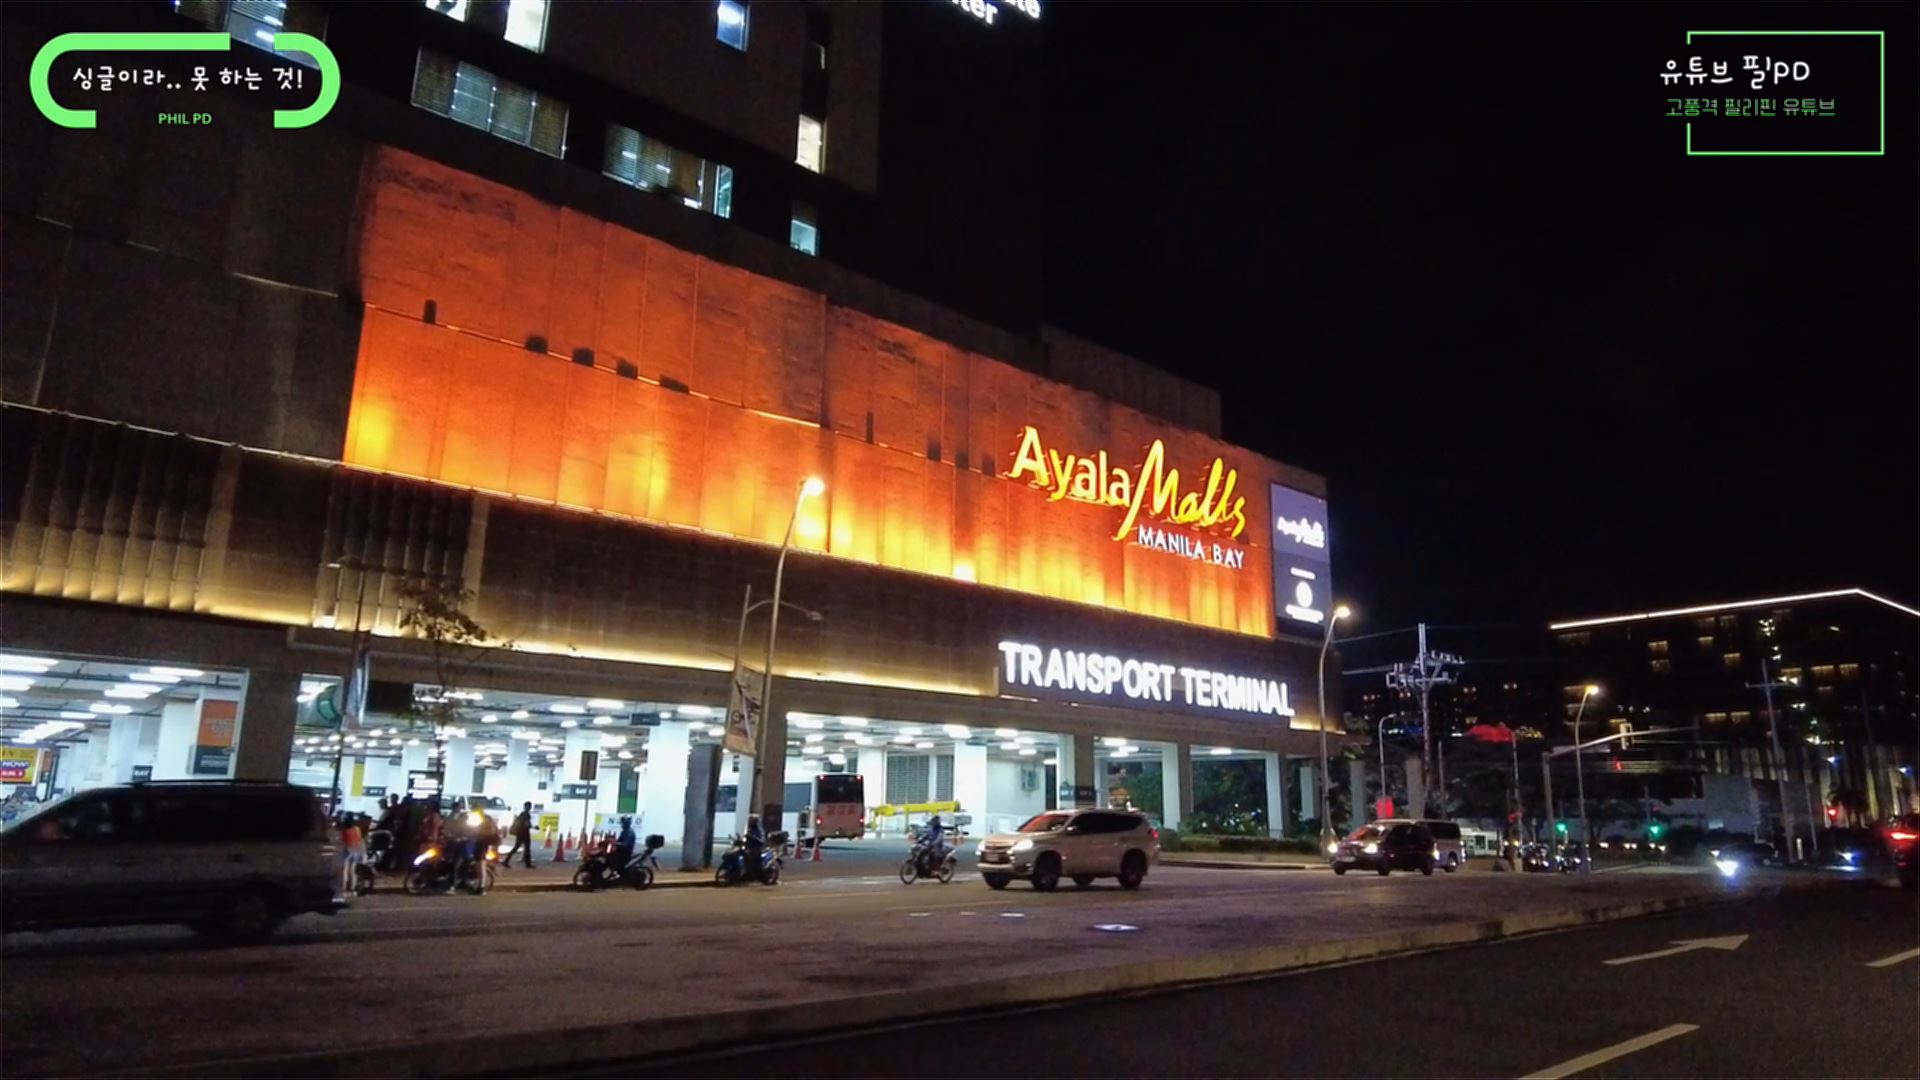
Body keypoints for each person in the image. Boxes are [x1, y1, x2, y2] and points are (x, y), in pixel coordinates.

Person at [339, 813, 366, 894]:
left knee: (345, 870)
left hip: (348, 851)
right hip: (357, 851)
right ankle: (353, 887)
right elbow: (360, 839)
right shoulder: (357, 829)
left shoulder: (344, 830)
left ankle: (344, 887)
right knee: (352, 871)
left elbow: (343, 842)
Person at [503, 801, 535, 868]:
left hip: (520, 833)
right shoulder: (526, 814)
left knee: (517, 847)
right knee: (526, 848)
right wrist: (533, 827)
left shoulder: (522, 814)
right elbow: (526, 824)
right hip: (524, 833)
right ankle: (527, 864)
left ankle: (506, 861)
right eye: (529, 806)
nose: (529, 807)